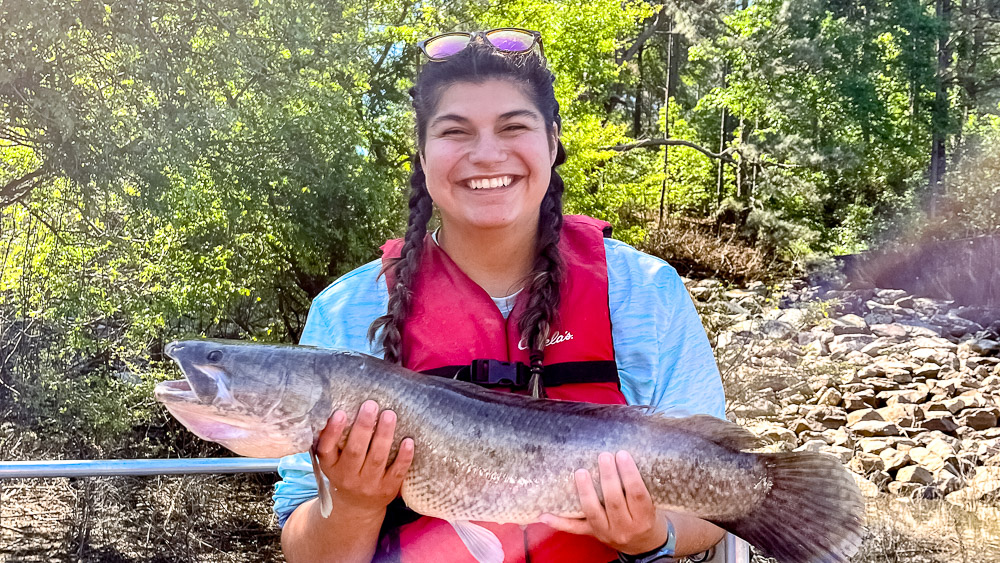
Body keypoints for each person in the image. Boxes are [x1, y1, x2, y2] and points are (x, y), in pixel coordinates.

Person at [274, 28, 728, 563]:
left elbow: (718, 504)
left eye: (514, 126)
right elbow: (307, 548)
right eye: (455, 131)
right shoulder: (345, 312)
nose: (487, 154)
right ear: (421, 154)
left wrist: (653, 535)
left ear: (552, 141)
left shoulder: (645, 292)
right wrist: (350, 504)